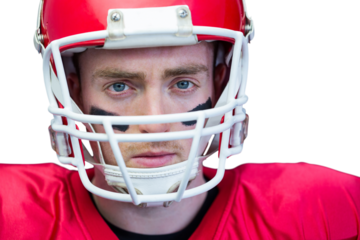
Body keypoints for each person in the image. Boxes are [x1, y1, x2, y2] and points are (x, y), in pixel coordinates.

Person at [0, 0, 359, 239]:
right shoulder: (10, 212)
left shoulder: (321, 208)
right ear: (74, 93)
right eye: (120, 86)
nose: (155, 122)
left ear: (220, 84)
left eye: (183, 83)